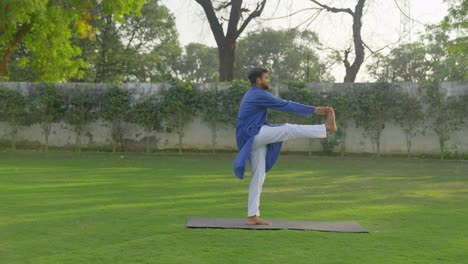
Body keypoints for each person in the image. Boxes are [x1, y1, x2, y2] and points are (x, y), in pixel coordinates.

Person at [233, 66, 337, 225]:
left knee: (258, 176)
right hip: (251, 135)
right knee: (288, 129)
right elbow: (285, 105)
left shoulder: (253, 94)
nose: (269, 80)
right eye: (266, 78)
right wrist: (315, 110)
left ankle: (252, 216)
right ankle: (325, 128)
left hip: (251, 137)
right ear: (258, 80)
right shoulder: (257, 94)